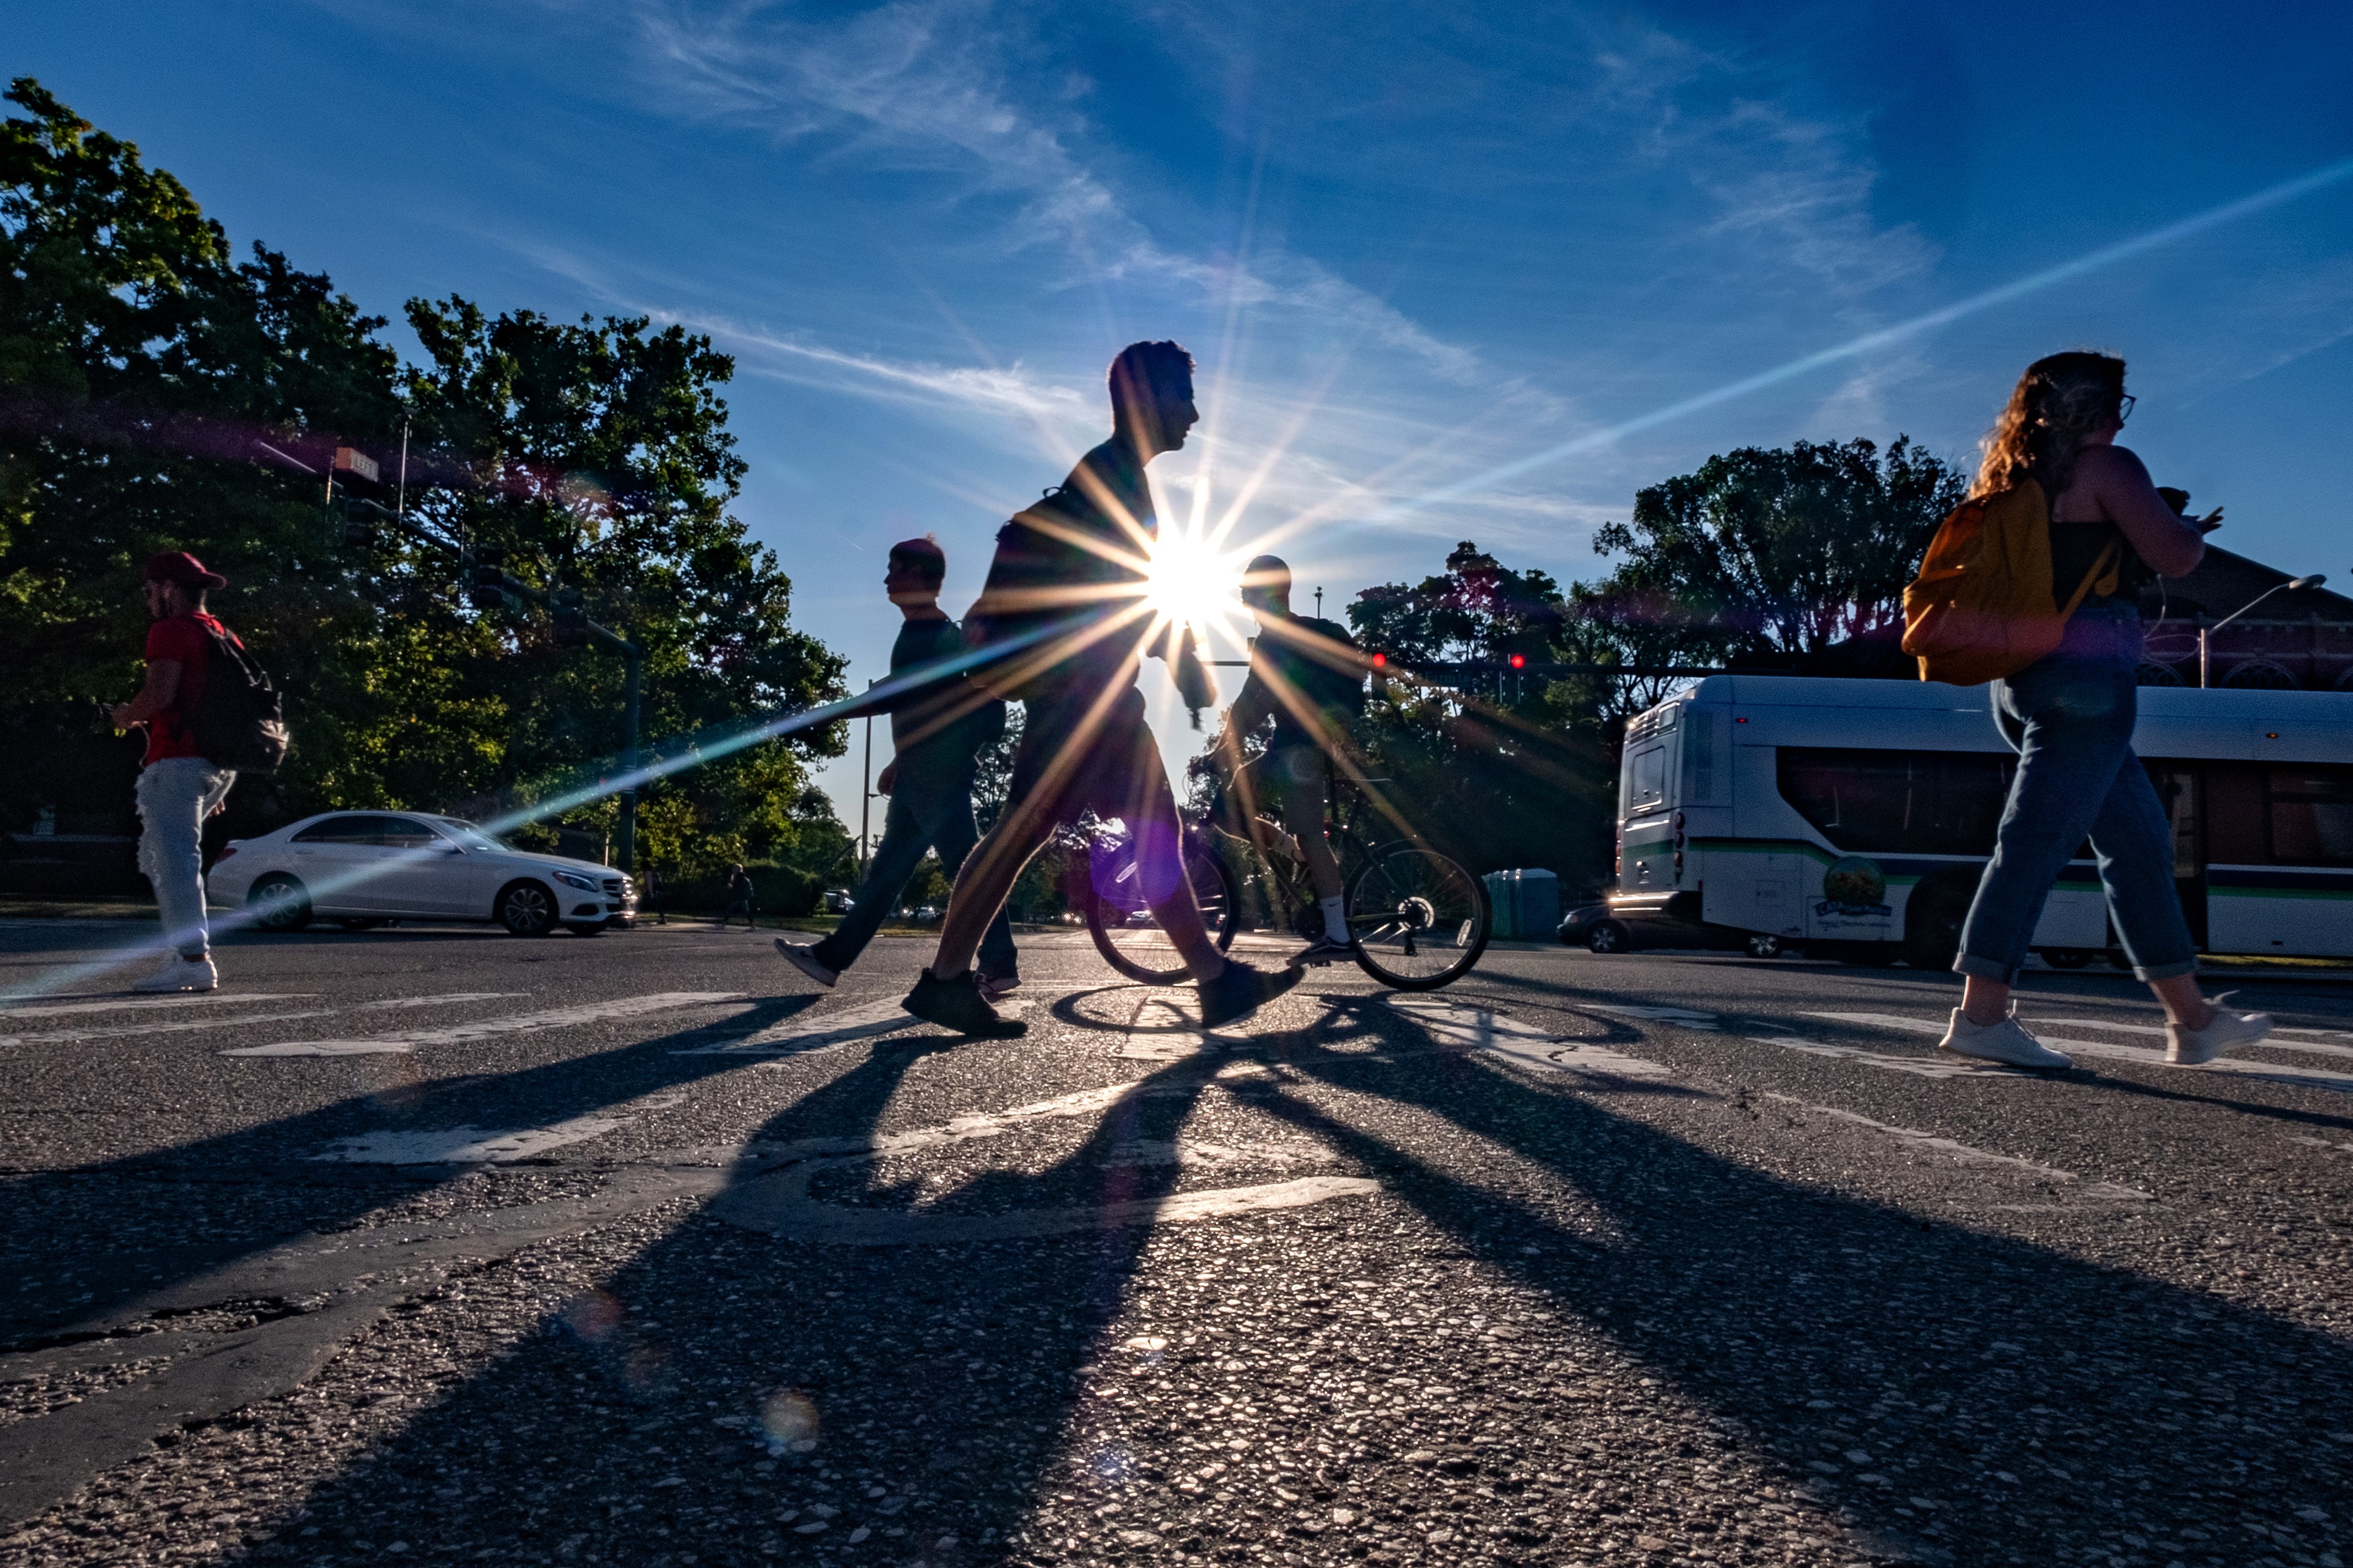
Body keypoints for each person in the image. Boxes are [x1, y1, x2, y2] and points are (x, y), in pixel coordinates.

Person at [901, 341, 1301, 1039]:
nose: (1197, 416)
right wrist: (1179, 656)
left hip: (1087, 695)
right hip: (1088, 700)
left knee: (1112, 834)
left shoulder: (1112, 475)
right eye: (1185, 398)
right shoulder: (1115, 478)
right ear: (1149, 400)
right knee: (1052, 834)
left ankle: (1213, 979)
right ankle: (1213, 980)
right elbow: (1117, 595)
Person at [1937, 351, 2271, 1070]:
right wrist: (2180, 527)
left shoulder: (2015, 481)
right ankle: (1981, 1015)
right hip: (2085, 676)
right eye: (2120, 401)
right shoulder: (2110, 469)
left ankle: (2194, 1021)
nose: (2123, 416)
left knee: (2141, 846)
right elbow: (2178, 557)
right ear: (2098, 407)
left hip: (2020, 675)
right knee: (2034, 840)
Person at [775, 537, 1019, 997]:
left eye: (896, 568)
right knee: (888, 877)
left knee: (968, 868)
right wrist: (898, 760)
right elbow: (927, 710)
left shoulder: (932, 635)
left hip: (937, 776)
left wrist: (831, 712)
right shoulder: (923, 634)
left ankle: (1000, 961)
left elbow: (898, 692)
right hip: (921, 773)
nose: (887, 578)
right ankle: (832, 958)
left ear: (919, 577)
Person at [1212, 555, 1365, 965]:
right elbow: (1254, 703)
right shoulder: (1280, 638)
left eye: (1248, 592)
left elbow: (1251, 703)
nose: (1246, 601)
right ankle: (1298, 854)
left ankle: (1338, 934)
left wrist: (1221, 750)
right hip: (1288, 747)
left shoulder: (1278, 639)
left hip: (1303, 748)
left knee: (1311, 834)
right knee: (1225, 810)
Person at [110, 552, 241, 993]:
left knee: (175, 863)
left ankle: (192, 959)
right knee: (166, 858)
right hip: (216, 763)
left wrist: (127, 714)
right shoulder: (223, 634)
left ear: (167, 589)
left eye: (149, 591)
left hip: (178, 760)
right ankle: (185, 953)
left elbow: (160, 693)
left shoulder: (170, 630)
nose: (148, 600)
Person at [718, 863, 756, 930]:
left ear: (740, 870)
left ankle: (723, 925)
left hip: (739, 898)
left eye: (735, 869)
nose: (734, 871)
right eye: (734, 869)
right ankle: (753, 926)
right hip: (741, 898)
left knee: (730, 911)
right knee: (746, 912)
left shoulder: (741, 879)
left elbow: (739, 888)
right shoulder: (738, 878)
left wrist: (731, 887)